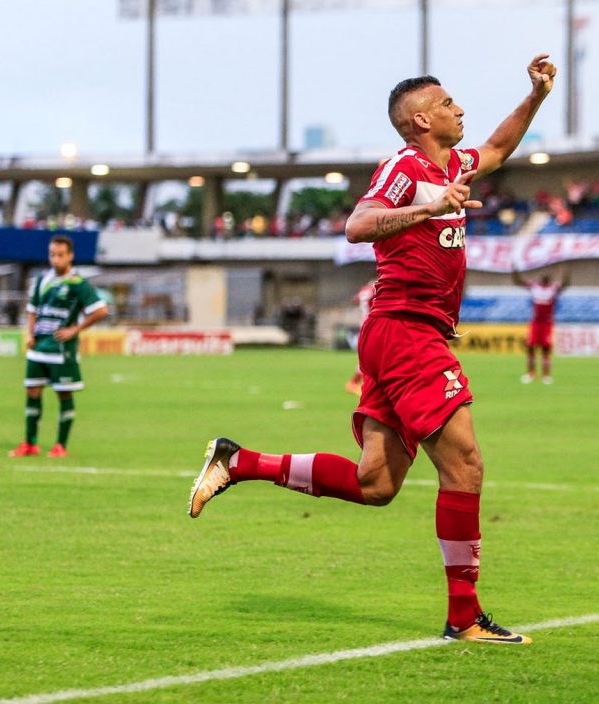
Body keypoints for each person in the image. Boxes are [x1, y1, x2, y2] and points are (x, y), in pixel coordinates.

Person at [188, 54, 558, 645]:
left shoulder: (453, 162)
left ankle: (240, 462)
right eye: (446, 104)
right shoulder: (405, 169)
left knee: (376, 484)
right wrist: (426, 208)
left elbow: (496, 148)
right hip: (408, 332)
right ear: (418, 120)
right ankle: (464, 618)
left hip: (400, 336)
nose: (459, 109)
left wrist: (535, 96)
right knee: (464, 465)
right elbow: (358, 226)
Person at [8, 235, 108, 458]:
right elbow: (32, 309)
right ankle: (30, 443)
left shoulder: (78, 283)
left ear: (70, 255)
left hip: (62, 350)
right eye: (52, 254)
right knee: (32, 391)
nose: (56, 259)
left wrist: (75, 330)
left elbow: (100, 310)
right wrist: (29, 333)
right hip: (39, 346)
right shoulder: (42, 280)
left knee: (63, 394)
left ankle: (60, 445)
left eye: (61, 255)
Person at [512, 267, 570, 384]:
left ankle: (546, 375)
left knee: (546, 349)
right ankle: (531, 373)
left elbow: (565, 284)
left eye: (546, 276)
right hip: (536, 323)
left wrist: (566, 273)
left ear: (549, 278)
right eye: (542, 275)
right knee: (531, 347)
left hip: (547, 323)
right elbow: (518, 282)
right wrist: (515, 272)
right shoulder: (534, 287)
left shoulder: (553, 288)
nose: (544, 277)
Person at [344, 278, 377, 395]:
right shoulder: (376, 289)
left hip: (364, 325)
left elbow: (355, 299)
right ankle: (354, 383)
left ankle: (355, 383)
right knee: (370, 359)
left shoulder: (364, 289)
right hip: (374, 326)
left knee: (368, 358)